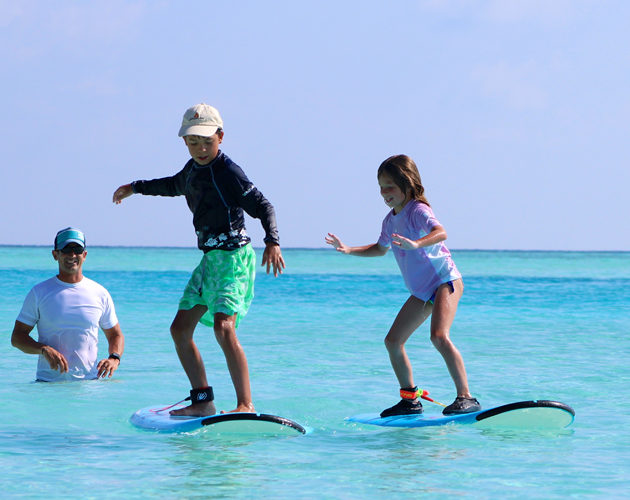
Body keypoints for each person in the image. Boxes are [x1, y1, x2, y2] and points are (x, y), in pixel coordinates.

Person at [112, 103, 285, 417]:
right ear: (184, 142)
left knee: (224, 328)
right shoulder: (192, 171)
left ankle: (245, 404)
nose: (201, 148)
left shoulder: (229, 172)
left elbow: (265, 206)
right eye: (193, 142)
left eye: (207, 141)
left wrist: (272, 242)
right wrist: (135, 188)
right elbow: (170, 186)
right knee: (179, 329)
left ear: (220, 137)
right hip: (210, 262)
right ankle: (203, 400)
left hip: (234, 260)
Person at [326, 154, 480, 416]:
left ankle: (466, 397)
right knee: (393, 341)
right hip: (422, 292)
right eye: (381, 187)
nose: (384, 193)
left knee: (438, 336)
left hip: (445, 281)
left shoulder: (418, 211)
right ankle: (410, 400)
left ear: (407, 185)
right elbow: (379, 249)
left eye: (390, 187)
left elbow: (441, 232)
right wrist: (349, 249)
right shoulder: (390, 220)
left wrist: (417, 243)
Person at [11, 227, 125, 382]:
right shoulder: (39, 292)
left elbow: (115, 334)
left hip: (89, 385)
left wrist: (114, 358)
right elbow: (17, 337)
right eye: (66, 249)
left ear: (84, 255)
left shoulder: (100, 293)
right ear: (55, 255)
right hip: (48, 385)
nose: (72, 255)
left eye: (77, 249)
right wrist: (43, 349)